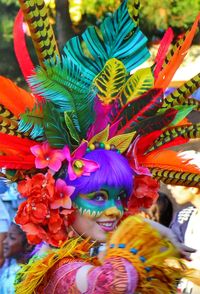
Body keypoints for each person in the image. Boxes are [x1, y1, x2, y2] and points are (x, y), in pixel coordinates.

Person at [0, 0, 200, 293]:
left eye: (119, 197)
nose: (113, 210)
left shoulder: (80, 259)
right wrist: (143, 234)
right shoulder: (62, 271)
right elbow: (113, 282)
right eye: (97, 196)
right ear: (60, 205)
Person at [169, 171, 200, 293]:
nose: (169, 186)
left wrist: (180, 266)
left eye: (175, 182)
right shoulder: (183, 218)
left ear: (193, 187)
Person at [0, 222, 33, 294]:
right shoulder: (9, 268)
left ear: (28, 245)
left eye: (12, 238)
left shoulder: (28, 278)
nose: (4, 242)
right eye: (6, 236)